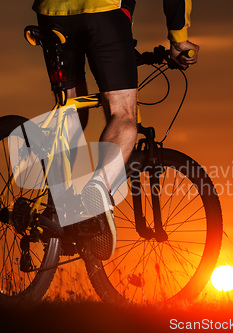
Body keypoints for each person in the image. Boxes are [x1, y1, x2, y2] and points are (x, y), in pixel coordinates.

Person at [32, 0, 199, 260]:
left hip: (51, 12)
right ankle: (99, 188)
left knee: (70, 111)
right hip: (104, 10)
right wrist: (179, 40)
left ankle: (58, 211)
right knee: (123, 113)